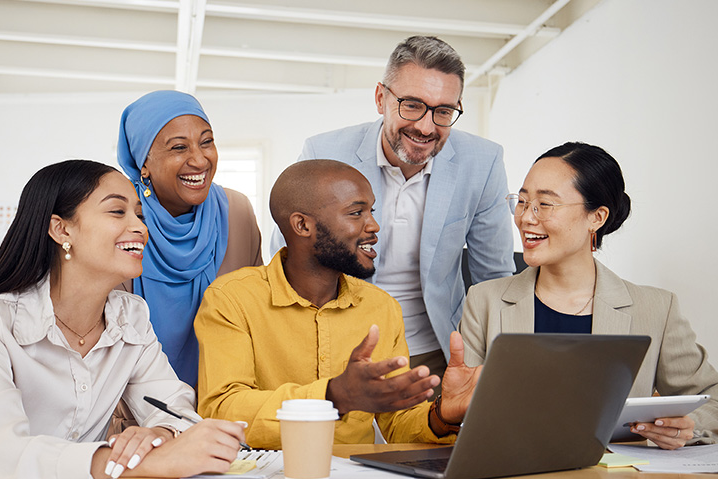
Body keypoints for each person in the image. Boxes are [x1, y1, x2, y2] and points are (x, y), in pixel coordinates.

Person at [0, 160, 245, 479]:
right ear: (61, 229)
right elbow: (3, 453)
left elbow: (175, 407)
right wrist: (132, 462)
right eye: (117, 211)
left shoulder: (131, 317)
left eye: (138, 213)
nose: (139, 226)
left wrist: (159, 434)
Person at [271, 35, 514, 386]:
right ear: (381, 98)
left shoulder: (483, 162)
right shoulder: (324, 152)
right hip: (339, 344)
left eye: (444, 111)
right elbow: (289, 256)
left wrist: (498, 373)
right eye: (412, 105)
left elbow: (494, 278)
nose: (426, 127)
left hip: (435, 351)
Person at [197, 159, 479, 449]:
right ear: (302, 225)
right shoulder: (231, 300)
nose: (374, 225)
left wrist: (442, 414)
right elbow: (223, 409)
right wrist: (333, 395)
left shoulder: (381, 308)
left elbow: (397, 422)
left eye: (371, 211)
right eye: (356, 213)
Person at [459, 142, 718, 449]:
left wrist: (686, 427)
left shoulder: (656, 309)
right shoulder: (484, 301)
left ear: (597, 217)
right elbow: (463, 408)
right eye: (523, 202)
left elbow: (711, 400)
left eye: (546, 204)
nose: (526, 218)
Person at [117, 90, 262, 388]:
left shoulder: (237, 212)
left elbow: (257, 312)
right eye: (179, 148)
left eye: (206, 141)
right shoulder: (120, 222)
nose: (199, 159)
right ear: (143, 162)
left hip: (225, 398)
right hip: (136, 406)